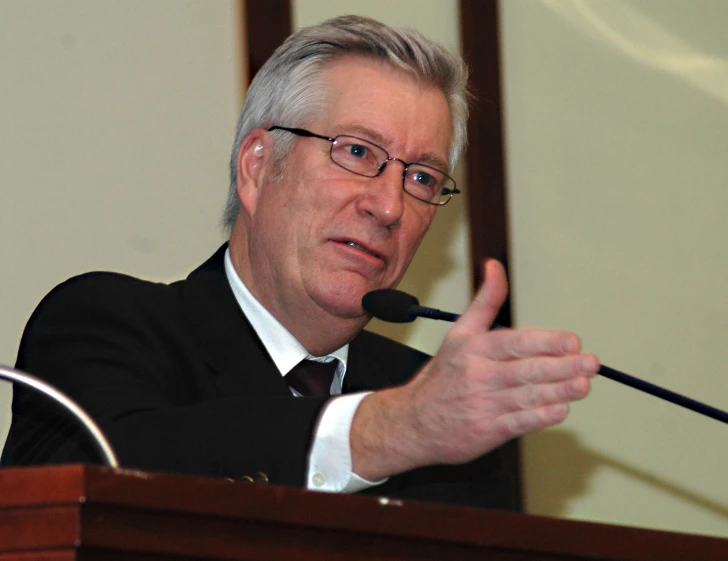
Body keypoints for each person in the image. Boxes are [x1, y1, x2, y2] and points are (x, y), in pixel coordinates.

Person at [1, 15, 598, 509]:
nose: (389, 206)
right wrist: (386, 431)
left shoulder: (435, 398)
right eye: (358, 151)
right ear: (259, 166)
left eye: (421, 177)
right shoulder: (106, 323)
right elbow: (104, 484)